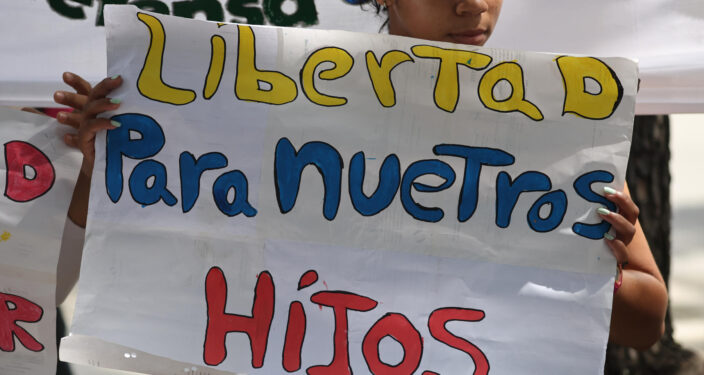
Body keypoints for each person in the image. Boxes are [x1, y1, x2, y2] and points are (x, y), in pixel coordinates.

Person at [54, 0, 668, 351]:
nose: (470, 5)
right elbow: (128, 246)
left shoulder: (550, 123)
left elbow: (646, 319)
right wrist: (104, 161)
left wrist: (581, 272)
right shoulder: (277, 99)